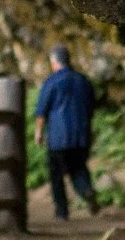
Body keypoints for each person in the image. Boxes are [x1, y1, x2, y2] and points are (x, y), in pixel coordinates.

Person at [33, 45, 98, 219]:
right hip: (80, 134)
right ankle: (87, 190)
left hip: (58, 137)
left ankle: (62, 212)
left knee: (56, 175)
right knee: (78, 167)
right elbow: (91, 107)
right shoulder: (83, 81)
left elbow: (42, 111)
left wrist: (38, 132)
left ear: (54, 62)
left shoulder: (51, 82)